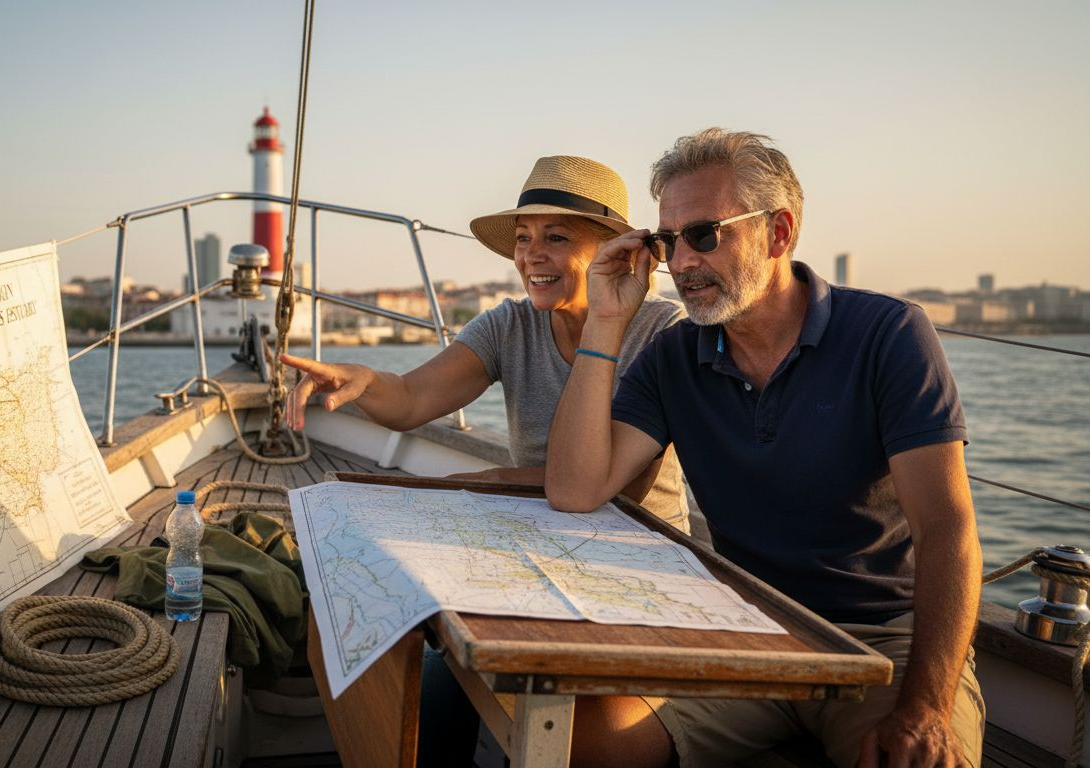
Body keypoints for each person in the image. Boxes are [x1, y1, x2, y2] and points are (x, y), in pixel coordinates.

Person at [545, 129, 985, 767]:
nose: (681, 263)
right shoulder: (673, 358)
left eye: (703, 235)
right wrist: (607, 322)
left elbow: (946, 528)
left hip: (883, 640)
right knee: (578, 740)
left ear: (778, 233)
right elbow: (574, 489)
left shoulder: (888, 334)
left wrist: (925, 707)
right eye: (667, 241)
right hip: (742, 625)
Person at [282, 154, 690, 530]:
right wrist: (363, 380)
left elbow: (622, 489)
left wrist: (494, 479)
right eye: (523, 238)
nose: (531, 256)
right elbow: (410, 398)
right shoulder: (509, 325)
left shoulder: (662, 332)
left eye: (556, 238)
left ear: (615, 253)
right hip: (535, 525)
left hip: (638, 539)